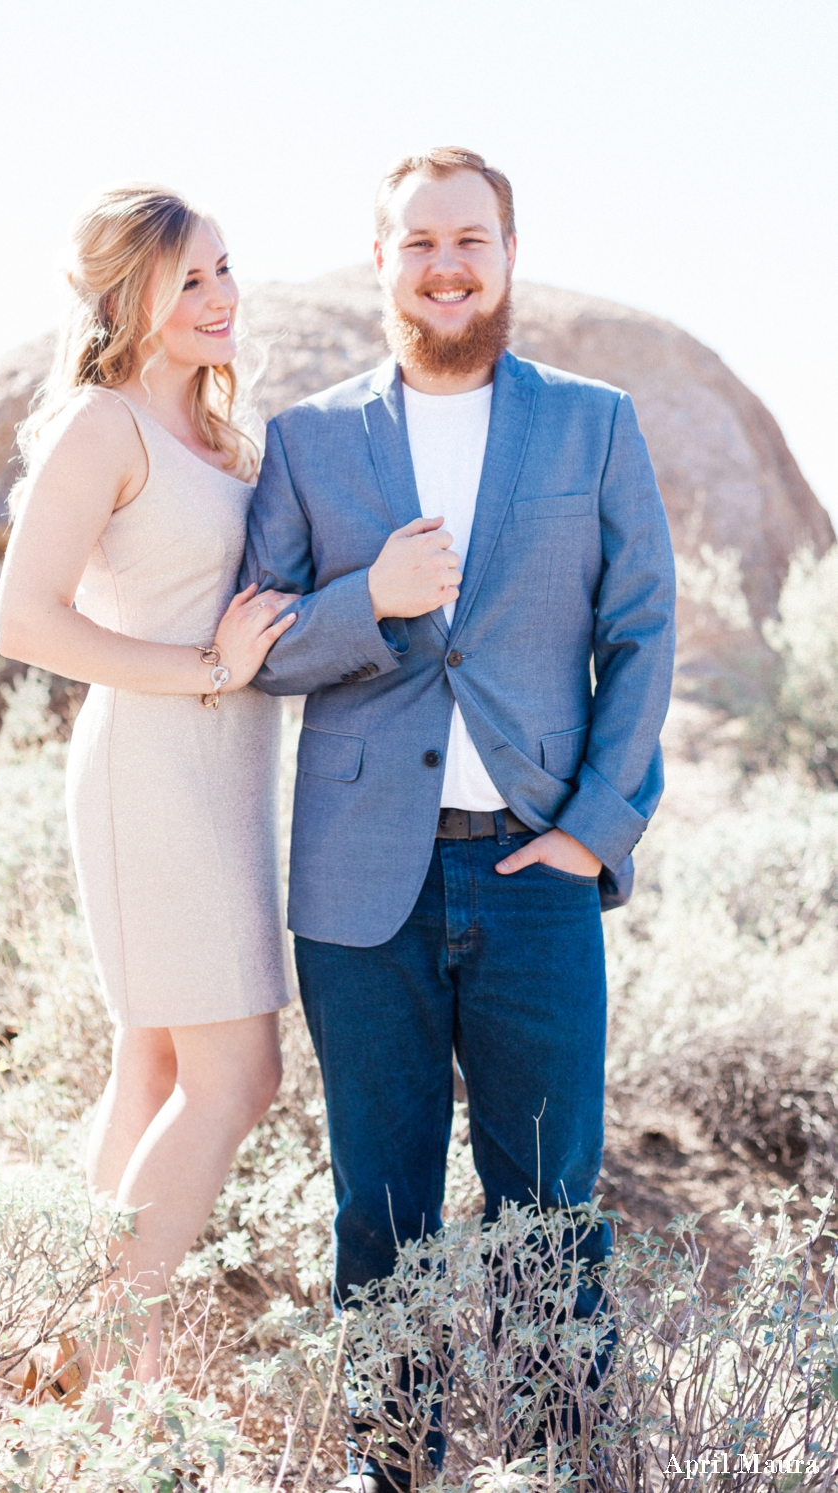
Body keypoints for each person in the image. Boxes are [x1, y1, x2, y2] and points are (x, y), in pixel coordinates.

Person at [243, 147, 676, 1485]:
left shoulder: (590, 423)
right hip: (357, 893)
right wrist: (366, 593)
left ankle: (550, 1473)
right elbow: (255, 646)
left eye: (468, 241)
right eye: (417, 241)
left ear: (504, 253)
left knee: (548, 1224)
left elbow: (642, 630)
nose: (444, 264)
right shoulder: (310, 440)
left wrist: (596, 831)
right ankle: (399, 1477)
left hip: (532, 880)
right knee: (380, 1223)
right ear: (381, 260)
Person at [0, 183, 296, 1385]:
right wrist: (205, 667)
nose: (221, 297)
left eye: (225, 270)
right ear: (131, 298)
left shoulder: (226, 437)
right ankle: (95, 1348)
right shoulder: (100, 426)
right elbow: (27, 620)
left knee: (157, 1066)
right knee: (239, 1075)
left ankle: (70, 1345)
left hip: (225, 776)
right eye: (190, 280)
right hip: (148, 774)